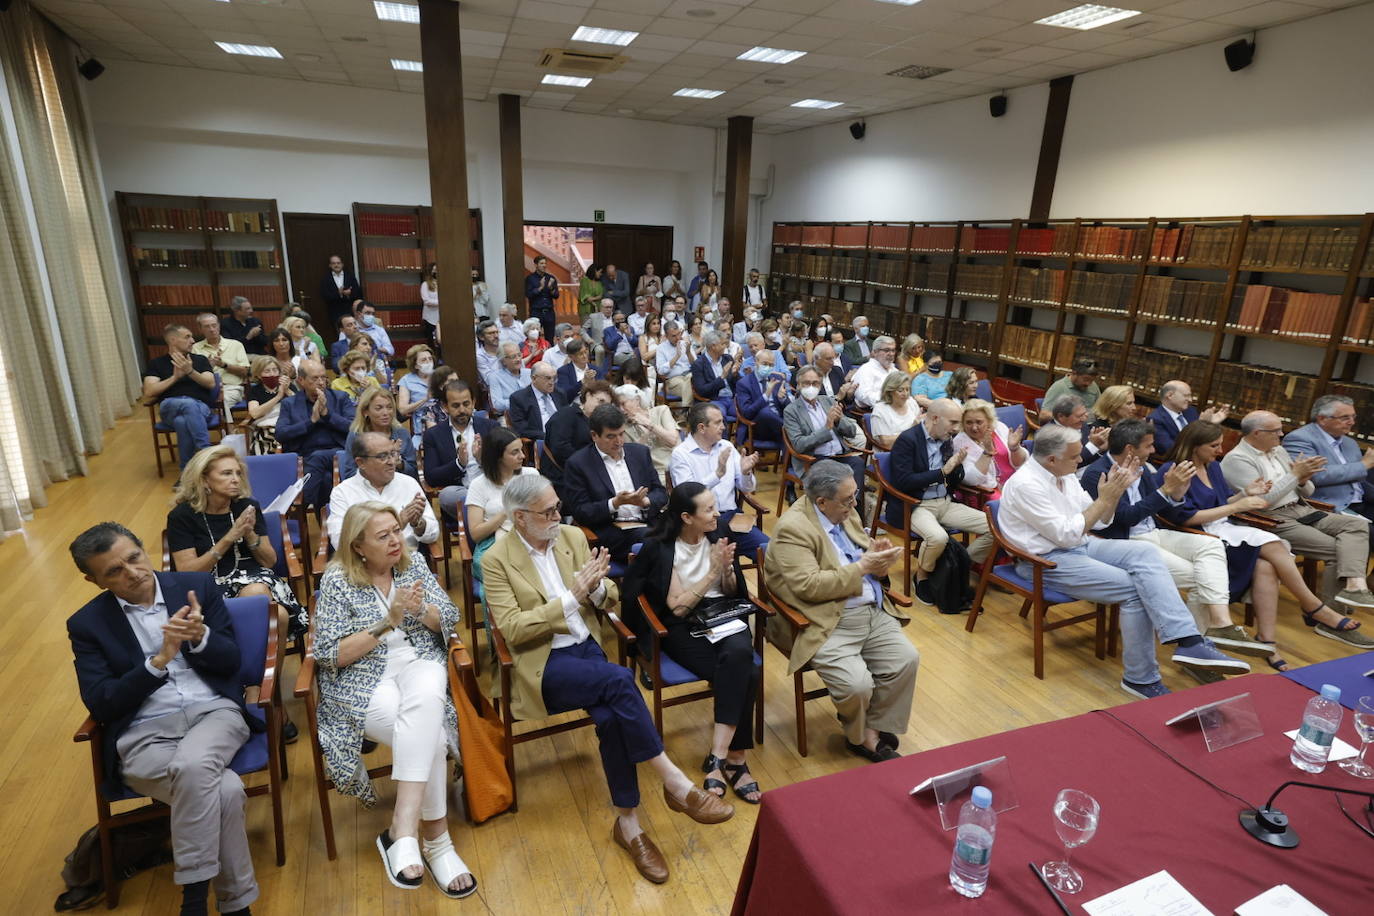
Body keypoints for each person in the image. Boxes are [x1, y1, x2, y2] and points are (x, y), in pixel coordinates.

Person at [481, 475, 733, 884]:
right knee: (619, 681)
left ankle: (629, 827)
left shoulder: (569, 537)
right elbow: (513, 631)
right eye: (547, 512)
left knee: (614, 718)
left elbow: (610, 599)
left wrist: (596, 591)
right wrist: (571, 597)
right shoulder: (495, 559)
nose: (557, 515)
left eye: (557, 505)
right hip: (543, 660)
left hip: (586, 650)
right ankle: (675, 783)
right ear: (520, 518)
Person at [68, 522, 261, 916]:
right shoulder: (87, 624)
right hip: (144, 734)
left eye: (134, 558)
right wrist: (157, 662)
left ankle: (193, 899)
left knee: (194, 764)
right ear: (94, 581)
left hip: (213, 714)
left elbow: (233, 663)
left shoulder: (196, 587)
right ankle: (237, 906)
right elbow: (103, 703)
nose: (133, 573)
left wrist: (199, 638)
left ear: (144, 548)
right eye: (114, 572)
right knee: (223, 790)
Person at [999, 424, 1249, 698]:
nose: (1081, 460)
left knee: (1146, 554)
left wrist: (1113, 495)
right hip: (1044, 559)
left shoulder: (1064, 473)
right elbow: (1067, 534)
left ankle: (1189, 641)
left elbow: (1101, 521)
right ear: (1051, 459)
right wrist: (1105, 499)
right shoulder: (1026, 485)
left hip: (1080, 544)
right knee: (1134, 590)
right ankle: (1140, 679)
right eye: (1075, 457)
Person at [311, 502, 475, 898]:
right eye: (382, 536)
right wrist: (389, 621)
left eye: (395, 531)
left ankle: (402, 830)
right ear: (358, 546)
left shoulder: (413, 564)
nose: (395, 541)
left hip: (419, 663)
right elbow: (331, 654)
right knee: (431, 738)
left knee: (430, 682)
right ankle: (436, 840)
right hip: (363, 678)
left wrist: (422, 611)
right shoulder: (337, 581)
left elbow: (450, 617)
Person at [1075, 421, 1276, 674]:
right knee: (1200, 578)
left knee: (1210, 545)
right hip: (1127, 542)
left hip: (1155, 532)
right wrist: (1164, 491)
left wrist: (1177, 494)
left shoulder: (1143, 469)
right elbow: (1123, 519)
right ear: (1129, 448)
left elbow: (1169, 510)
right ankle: (1197, 648)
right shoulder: (1098, 473)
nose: (1153, 449)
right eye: (1148, 445)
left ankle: (1220, 624)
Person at [1163, 421, 1370, 662]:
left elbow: (1222, 501)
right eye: (1214, 446)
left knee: (1267, 565)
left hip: (1224, 526)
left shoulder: (1213, 467)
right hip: (1199, 535)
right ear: (1194, 445)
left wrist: (1245, 494)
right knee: (1272, 543)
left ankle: (1268, 640)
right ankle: (1314, 607)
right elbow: (1185, 518)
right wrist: (1237, 505)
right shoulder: (1173, 470)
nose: (1220, 450)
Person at [765, 460, 918, 762]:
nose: (855, 503)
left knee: (906, 660)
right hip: (825, 619)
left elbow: (858, 553)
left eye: (855, 495)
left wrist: (878, 557)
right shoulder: (792, 529)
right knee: (856, 685)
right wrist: (863, 567)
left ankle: (871, 728)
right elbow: (808, 586)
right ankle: (860, 737)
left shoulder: (843, 511)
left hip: (870, 609)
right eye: (848, 499)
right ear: (821, 501)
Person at [625, 483, 762, 802]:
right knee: (747, 673)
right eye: (709, 510)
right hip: (681, 624)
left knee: (740, 654)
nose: (718, 514)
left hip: (723, 613)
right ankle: (736, 761)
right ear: (687, 517)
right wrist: (711, 570)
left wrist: (726, 570)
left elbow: (731, 589)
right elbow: (677, 607)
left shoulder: (719, 531)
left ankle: (718, 758)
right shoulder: (660, 547)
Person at [1221, 410, 1374, 620]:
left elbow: (1307, 491)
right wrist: (1294, 475)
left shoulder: (1279, 451)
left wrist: (1302, 480)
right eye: (1275, 431)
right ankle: (1331, 617)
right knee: (1337, 549)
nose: (1281, 434)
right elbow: (1264, 502)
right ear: (1257, 433)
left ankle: (1355, 587)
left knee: (1358, 526)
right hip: (1269, 518)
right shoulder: (1237, 459)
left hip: (1301, 509)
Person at [168, 444, 309, 642]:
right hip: (207, 584)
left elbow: (269, 561)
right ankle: (255, 667)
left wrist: (249, 532)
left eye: (237, 473)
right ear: (204, 479)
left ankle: (264, 672)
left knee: (265, 601)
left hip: (255, 579)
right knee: (275, 615)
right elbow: (187, 573)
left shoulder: (247, 507)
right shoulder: (182, 516)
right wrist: (229, 538)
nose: (235, 479)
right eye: (226, 473)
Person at [889, 399, 992, 601]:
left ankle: (957, 566)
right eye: (953, 422)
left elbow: (955, 478)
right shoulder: (908, 440)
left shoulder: (947, 440)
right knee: (938, 538)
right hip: (917, 506)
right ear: (935, 418)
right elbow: (903, 482)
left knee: (995, 528)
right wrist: (942, 472)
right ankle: (922, 576)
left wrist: (956, 467)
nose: (956, 429)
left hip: (945, 502)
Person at [564, 403, 668, 561]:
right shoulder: (578, 464)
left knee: (688, 528)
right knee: (653, 541)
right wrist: (614, 503)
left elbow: (661, 493)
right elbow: (581, 511)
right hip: (613, 532)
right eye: (611, 436)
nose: (619, 441)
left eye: (621, 434)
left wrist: (645, 501)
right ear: (594, 435)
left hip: (648, 522)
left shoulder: (640, 453)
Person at [671, 402, 768, 556]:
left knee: (770, 551)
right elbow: (687, 496)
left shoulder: (726, 446)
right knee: (724, 560)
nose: (724, 427)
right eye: (718, 423)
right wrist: (717, 474)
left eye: (722, 421)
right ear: (702, 428)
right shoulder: (681, 454)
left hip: (733, 519)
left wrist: (746, 473)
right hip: (702, 524)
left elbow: (748, 489)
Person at [328, 433, 437, 554]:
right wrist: (398, 523)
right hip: (364, 567)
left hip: (407, 561)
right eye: (382, 457)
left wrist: (418, 524)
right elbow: (340, 543)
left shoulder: (409, 484)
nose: (391, 462)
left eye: (392, 454)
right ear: (360, 463)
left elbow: (433, 534)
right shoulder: (343, 492)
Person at [275, 359, 355, 509]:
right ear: (301, 381)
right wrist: (310, 422)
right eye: (315, 378)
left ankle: (302, 501)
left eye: (323, 377)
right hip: (305, 457)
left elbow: (354, 428)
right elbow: (281, 434)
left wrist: (327, 415)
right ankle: (327, 527)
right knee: (325, 481)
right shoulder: (290, 404)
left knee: (318, 457)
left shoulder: (340, 398)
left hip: (337, 453)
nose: (321, 382)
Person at [1283, 394, 1374, 522]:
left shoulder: (1350, 442)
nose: (1352, 422)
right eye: (1345, 418)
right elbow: (1315, 476)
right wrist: (1364, 465)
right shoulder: (1300, 439)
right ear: (1322, 419)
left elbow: (1358, 479)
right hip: (1330, 505)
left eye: (1353, 417)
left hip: (1362, 502)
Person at [462, 428, 538, 579]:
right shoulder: (479, 485)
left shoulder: (531, 475)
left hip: (532, 538)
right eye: (514, 452)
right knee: (509, 573)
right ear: (498, 457)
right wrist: (506, 512)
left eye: (521, 450)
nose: (522, 456)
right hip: (493, 544)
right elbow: (476, 534)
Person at [783, 365, 867, 495]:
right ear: (798, 385)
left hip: (840, 455)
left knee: (858, 464)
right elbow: (799, 445)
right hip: (815, 459)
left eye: (815, 383)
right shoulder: (791, 410)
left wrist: (839, 421)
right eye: (806, 383)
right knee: (838, 479)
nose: (811, 387)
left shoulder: (828, 401)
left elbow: (851, 432)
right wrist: (827, 428)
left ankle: (855, 508)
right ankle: (836, 511)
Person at [144, 324, 218, 469]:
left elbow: (210, 383)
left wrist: (190, 371)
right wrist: (175, 377)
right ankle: (205, 452)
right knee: (187, 405)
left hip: (201, 407)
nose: (192, 341)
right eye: (187, 337)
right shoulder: (156, 363)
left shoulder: (200, 360)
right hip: (169, 407)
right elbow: (149, 391)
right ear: (173, 340)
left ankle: (186, 472)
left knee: (182, 422)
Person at [420, 380, 494, 521]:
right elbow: (431, 476)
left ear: (473, 402)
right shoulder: (433, 435)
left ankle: (482, 521)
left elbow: (504, 466)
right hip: (462, 492)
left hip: (490, 485)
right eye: (455, 406)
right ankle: (490, 518)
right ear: (445, 407)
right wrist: (459, 463)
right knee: (447, 495)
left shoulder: (490, 427)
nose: (462, 410)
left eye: (466, 404)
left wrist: (482, 459)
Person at [547, 381, 617, 488]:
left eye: (606, 405)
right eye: (600, 401)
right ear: (588, 395)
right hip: (563, 475)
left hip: (590, 471)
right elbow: (560, 448)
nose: (602, 408)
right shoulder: (566, 415)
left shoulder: (599, 423)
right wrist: (588, 464)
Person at [952, 398, 1026, 497]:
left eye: (979, 422)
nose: (974, 427)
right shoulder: (959, 442)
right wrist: (986, 453)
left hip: (1015, 482)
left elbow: (1021, 463)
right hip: (988, 491)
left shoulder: (999, 428)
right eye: (969, 422)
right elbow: (971, 479)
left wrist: (1015, 448)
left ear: (989, 420)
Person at [341, 386, 417, 481]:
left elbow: (413, 472)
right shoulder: (356, 435)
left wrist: (399, 463)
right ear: (365, 411)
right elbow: (349, 474)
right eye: (378, 408)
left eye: (389, 407)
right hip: (366, 489)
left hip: (398, 487)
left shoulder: (401, 433)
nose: (386, 413)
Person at [1150, 379, 1230, 457]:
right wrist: (1200, 426)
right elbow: (1171, 450)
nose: (1190, 400)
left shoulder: (1190, 411)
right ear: (1170, 395)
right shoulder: (1156, 420)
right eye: (1186, 396)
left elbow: (1202, 440)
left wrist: (1209, 425)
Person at [615, 384, 678, 482]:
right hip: (655, 473)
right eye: (618, 406)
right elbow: (633, 456)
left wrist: (648, 424)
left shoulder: (661, 411)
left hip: (676, 465)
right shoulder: (624, 427)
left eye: (623, 404)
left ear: (637, 400)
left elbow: (672, 440)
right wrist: (646, 433)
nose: (621, 409)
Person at [193, 313, 250, 408]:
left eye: (214, 325)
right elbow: (192, 374)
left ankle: (217, 419)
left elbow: (245, 371)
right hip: (205, 389)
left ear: (219, 326)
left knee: (221, 402)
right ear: (200, 329)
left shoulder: (235, 345)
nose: (212, 329)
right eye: (207, 327)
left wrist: (223, 365)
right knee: (193, 404)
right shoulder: (195, 348)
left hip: (231, 388)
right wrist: (208, 368)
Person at [736, 348, 790, 443]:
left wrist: (783, 399)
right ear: (756, 362)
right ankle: (790, 432)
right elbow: (747, 413)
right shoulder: (744, 383)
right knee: (765, 412)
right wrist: (766, 395)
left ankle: (787, 451)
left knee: (787, 440)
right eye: (765, 364)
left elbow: (789, 408)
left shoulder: (777, 378)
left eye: (771, 365)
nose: (768, 367)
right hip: (757, 428)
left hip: (778, 428)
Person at [1046, 394, 1111, 468]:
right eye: (1080, 416)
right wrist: (1093, 445)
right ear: (1061, 416)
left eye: (1085, 413)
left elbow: (1085, 460)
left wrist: (1099, 449)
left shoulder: (1081, 425)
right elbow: (1067, 465)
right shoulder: (1048, 436)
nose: (1084, 418)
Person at [245, 356, 291, 454]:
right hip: (266, 427)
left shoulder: (288, 386)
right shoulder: (255, 391)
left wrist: (287, 391)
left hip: (288, 424)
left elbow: (300, 407)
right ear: (258, 375)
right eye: (267, 371)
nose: (272, 374)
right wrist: (278, 397)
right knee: (274, 434)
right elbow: (254, 413)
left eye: (275, 370)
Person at [508, 362, 567, 440]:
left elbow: (568, 417)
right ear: (534, 378)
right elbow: (522, 430)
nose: (552, 382)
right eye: (548, 378)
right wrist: (549, 436)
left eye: (554, 378)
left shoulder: (559, 393)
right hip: (542, 440)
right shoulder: (519, 399)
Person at [691, 330, 739, 423]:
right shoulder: (698, 364)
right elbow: (702, 390)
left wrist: (735, 374)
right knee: (718, 415)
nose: (725, 346)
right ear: (713, 346)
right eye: (723, 344)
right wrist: (721, 377)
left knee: (750, 412)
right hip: (714, 400)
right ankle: (720, 438)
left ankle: (742, 437)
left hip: (732, 398)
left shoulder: (727, 358)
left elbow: (737, 383)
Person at [869, 371, 920, 450]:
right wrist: (911, 430)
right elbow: (886, 443)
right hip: (890, 454)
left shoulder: (911, 402)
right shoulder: (880, 410)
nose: (905, 394)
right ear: (890, 391)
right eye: (900, 390)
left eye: (907, 389)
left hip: (913, 449)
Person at [396, 344, 436, 438]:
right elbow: (402, 409)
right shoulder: (406, 381)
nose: (428, 362)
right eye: (424, 360)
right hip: (422, 425)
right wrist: (425, 399)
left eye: (430, 359)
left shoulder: (440, 376)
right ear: (416, 365)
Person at [655, 321, 694, 413]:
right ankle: (688, 413)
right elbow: (660, 371)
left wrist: (688, 353)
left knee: (690, 379)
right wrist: (676, 356)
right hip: (673, 380)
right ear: (667, 336)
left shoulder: (686, 344)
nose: (677, 338)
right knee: (691, 388)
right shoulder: (661, 348)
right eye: (673, 336)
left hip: (689, 376)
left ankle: (685, 412)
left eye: (678, 334)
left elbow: (696, 365)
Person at [852, 335, 898, 408]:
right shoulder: (866, 369)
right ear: (875, 352)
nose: (891, 354)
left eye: (893, 350)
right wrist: (889, 400)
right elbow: (863, 395)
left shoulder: (895, 371)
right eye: (887, 350)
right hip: (871, 412)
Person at [487, 342, 531, 416]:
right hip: (510, 415)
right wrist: (520, 402)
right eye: (513, 357)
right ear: (503, 361)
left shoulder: (529, 373)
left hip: (531, 411)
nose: (518, 359)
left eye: (519, 355)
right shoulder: (495, 377)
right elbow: (497, 404)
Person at [320, 254, 362, 326]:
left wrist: (349, 294)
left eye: (338, 263)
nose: (336, 265)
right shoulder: (326, 279)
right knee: (340, 333)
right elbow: (325, 296)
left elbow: (358, 292)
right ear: (330, 265)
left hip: (350, 310)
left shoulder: (350, 276)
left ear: (342, 264)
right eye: (333, 263)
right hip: (335, 311)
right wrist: (338, 293)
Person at [525, 255, 559, 341]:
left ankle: (549, 353)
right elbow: (528, 294)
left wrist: (551, 288)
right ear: (536, 265)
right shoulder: (530, 278)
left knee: (550, 338)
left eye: (545, 263)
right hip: (536, 312)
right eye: (541, 263)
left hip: (549, 312)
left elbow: (556, 295)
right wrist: (540, 287)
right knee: (535, 337)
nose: (544, 265)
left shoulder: (551, 278)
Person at [555, 338, 600, 403]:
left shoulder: (596, 369)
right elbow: (564, 395)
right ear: (571, 357)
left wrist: (594, 382)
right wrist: (583, 381)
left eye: (585, 351)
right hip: (574, 407)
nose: (585, 356)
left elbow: (603, 389)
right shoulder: (563, 371)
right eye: (580, 354)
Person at [420, 262, 439, 346]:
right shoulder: (425, 284)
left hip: (442, 318)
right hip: (430, 318)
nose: (436, 272)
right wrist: (442, 303)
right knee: (432, 341)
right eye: (434, 270)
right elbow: (427, 301)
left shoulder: (443, 283)